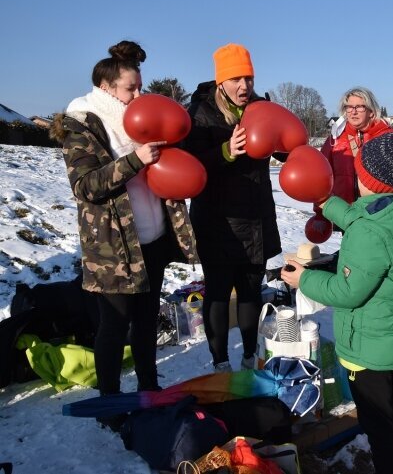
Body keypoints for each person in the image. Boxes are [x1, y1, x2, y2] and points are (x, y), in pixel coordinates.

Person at [50, 41, 198, 426]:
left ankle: (149, 386)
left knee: (148, 320)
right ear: (106, 86)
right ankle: (110, 403)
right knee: (113, 327)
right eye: (131, 88)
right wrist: (135, 159)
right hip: (113, 248)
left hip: (153, 237)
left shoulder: (142, 120)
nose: (139, 95)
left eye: (140, 87)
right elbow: (86, 186)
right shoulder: (81, 123)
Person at [282, 132, 393, 474]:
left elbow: (348, 292)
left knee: (382, 427)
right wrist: (329, 202)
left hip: (370, 348)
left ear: (366, 177)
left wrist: (303, 279)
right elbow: (370, 218)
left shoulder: (369, 233)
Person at [182, 43, 283, 372]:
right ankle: (221, 362)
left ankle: (250, 356)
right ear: (221, 81)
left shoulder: (262, 108)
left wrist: (288, 145)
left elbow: (283, 147)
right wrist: (225, 151)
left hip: (256, 215)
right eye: (237, 79)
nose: (245, 86)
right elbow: (189, 167)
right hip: (218, 220)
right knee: (219, 293)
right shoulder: (199, 113)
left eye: (249, 79)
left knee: (252, 291)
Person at [320, 87, 393, 278]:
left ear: (372, 110)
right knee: (358, 247)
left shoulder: (389, 137)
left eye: (359, 107)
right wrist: (321, 211)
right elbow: (322, 171)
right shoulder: (335, 140)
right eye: (348, 107)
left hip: (385, 208)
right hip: (349, 206)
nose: (353, 111)